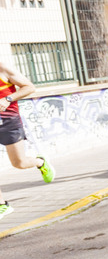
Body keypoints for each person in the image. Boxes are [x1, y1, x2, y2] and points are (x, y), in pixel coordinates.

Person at [0, 59, 55, 218]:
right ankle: (3, 205)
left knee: (19, 163)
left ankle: (40, 162)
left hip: (9, 121)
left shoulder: (2, 67)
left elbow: (29, 87)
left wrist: (7, 99)